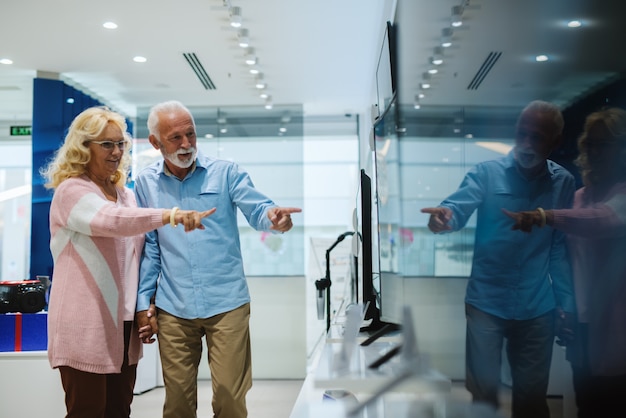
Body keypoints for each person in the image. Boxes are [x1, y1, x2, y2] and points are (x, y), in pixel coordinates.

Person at [42, 106, 215, 418]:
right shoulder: (72, 191)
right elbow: (113, 222)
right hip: (83, 325)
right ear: (84, 148)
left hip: (122, 326)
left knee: (119, 410)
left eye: (120, 143)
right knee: (87, 411)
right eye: (106, 144)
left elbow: (138, 258)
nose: (116, 152)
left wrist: (141, 308)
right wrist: (171, 214)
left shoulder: (126, 195)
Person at [134, 100, 302, 418]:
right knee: (178, 403)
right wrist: (144, 302)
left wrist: (275, 219)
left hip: (227, 304)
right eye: (175, 138)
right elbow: (150, 246)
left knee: (229, 398)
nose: (186, 144)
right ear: (155, 142)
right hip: (174, 307)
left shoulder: (226, 173)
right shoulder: (146, 183)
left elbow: (259, 208)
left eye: (191, 134)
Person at [420, 100, 576, 418]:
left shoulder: (563, 182)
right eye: (522, 134)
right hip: (486, 304)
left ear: (555, 141)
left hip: (537, 306)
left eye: (538, 137)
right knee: (483, 397)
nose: (527, 144)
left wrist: (567, 304)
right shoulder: (485, 173)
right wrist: (441, 221)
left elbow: (559, 248)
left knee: (532, 400)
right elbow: (454, 211)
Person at [505, 107, 626, 418]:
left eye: (604, 144)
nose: (594, 152)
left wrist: (545, 216)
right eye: (590, 144)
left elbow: (601, 220)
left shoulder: (621, 194)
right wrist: (563, 306)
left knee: (611, 404)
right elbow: (565, 258)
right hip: (580, 325)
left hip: (614, 327)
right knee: (587, 405)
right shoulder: (580, 196)